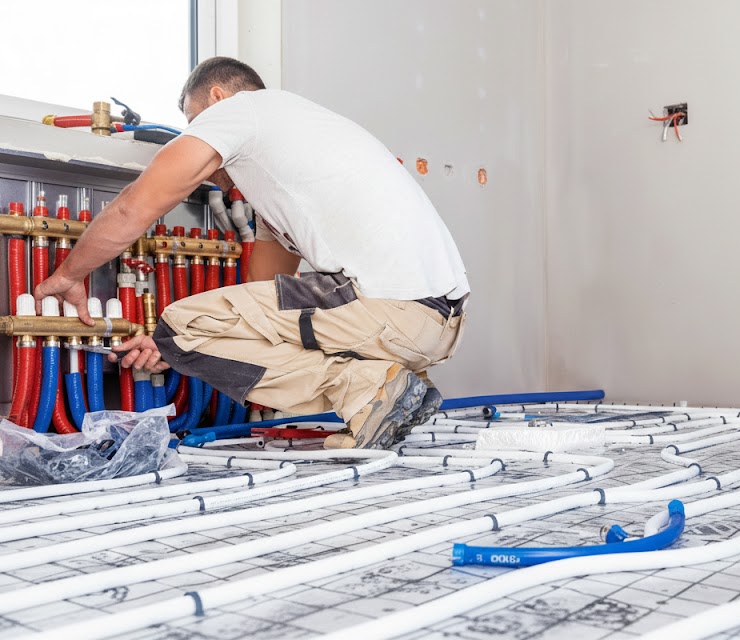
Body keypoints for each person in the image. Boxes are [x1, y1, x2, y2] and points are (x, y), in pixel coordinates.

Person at [34, 57, 470, 449]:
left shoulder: (240, 111)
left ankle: (369, 389)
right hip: (438, 324)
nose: (199, 136)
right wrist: (177, 347)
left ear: (217, 98)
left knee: (183, 322)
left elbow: (134, 207)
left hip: (391, 308)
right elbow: (265, 299)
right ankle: (395, 389)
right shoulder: (293, 151)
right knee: (186, 332)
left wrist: (69, 275)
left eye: (194, 122)